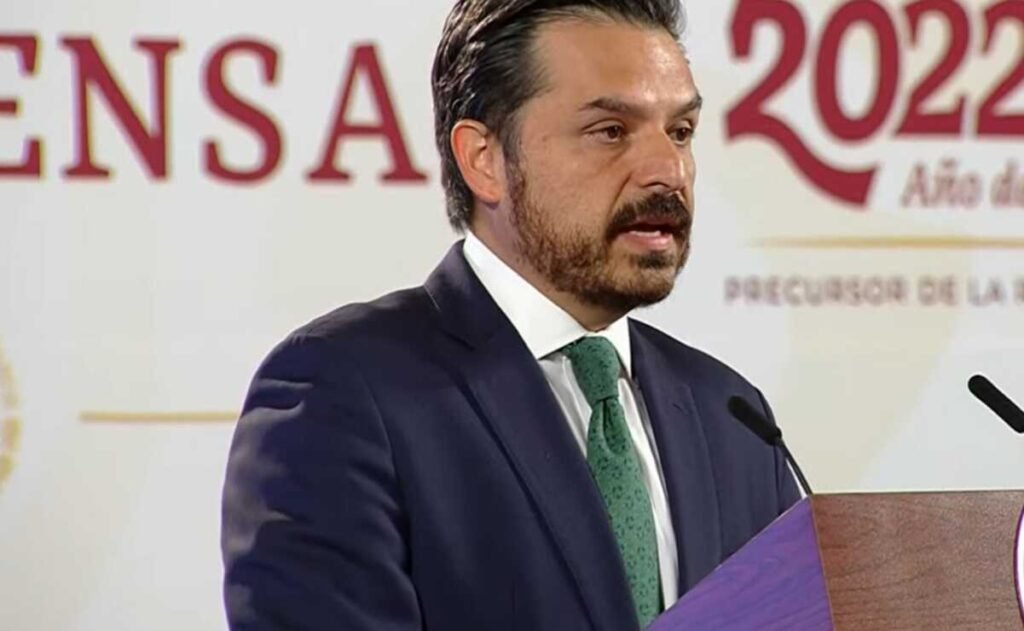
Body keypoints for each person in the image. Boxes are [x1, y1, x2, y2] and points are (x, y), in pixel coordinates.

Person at [221, 1, 800, 629]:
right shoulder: (343, 392)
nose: (669, 171)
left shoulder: (732, 417)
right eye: (610, 131)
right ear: (484, 160)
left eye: (680, 132)